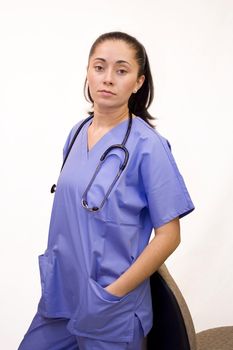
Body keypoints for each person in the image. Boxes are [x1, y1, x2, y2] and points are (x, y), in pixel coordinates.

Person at [18, 31, 195, 350]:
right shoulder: (76, 134)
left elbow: (170, 235)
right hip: (61, 298)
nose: (108, 78)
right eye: (100, 67)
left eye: (122, 70)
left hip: (111, 307)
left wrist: (112, 294)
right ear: (87, 72)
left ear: (138, 82)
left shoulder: (148, 147)